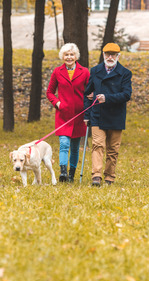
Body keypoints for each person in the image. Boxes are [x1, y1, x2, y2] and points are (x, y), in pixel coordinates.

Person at [84, 43, 133, 187]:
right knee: (97, 145)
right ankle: (96, 176)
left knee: (113, 150)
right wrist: (86, 115)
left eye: (113, 54)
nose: (110, 57)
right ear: (103, 55)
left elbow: (126, 94)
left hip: (116, 116)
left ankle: (110, 177)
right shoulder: (95, 71)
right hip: (97, 115)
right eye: (107, 54)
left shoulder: (125, 73)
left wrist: (107, 97)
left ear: (118, 56)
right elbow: (87, 94)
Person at [47, 43, 90, 183]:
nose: (69, 57)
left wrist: (90, 102)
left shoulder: (84, 72)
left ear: (76, 56)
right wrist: (57, 103)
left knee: (75, 147)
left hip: (79, 115)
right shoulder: (57, 72)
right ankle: (63, 173)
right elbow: (49, 92)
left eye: (72, 54)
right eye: (66, 55)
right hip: (63, 115)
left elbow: (89, 91)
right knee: (64, 144)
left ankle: (72, 174)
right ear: (62, 57)